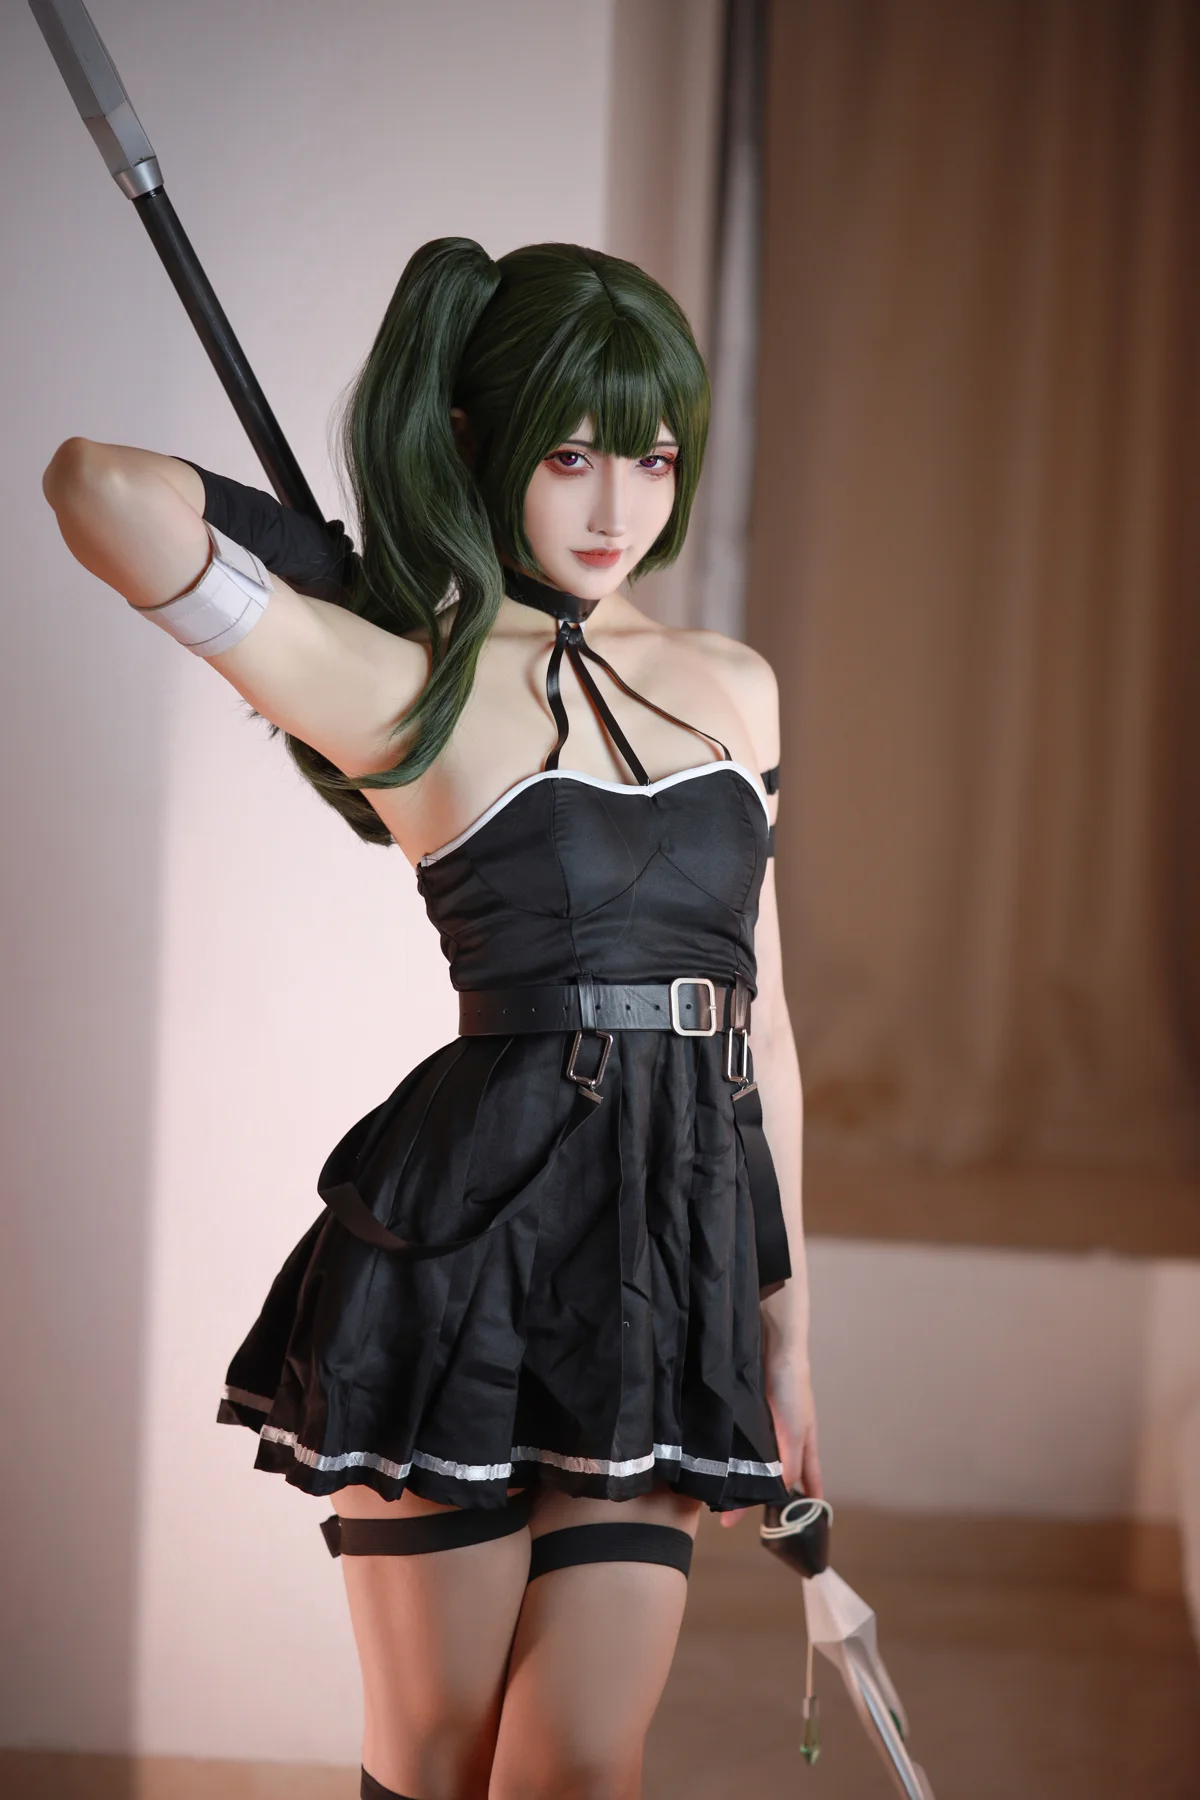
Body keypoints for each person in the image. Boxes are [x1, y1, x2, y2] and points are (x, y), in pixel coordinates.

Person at [42, 238, 821, 1800]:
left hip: (666, 1256)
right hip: (464, 1254)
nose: (616, 509)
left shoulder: (734, 687)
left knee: (580, 1763)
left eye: (653, 459)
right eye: (569, 456)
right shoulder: (406, 683)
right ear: (477, 444)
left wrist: (789, 1330)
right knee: (437, 1755)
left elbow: (768, 1023)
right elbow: (96, 489)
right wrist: (347, 570)